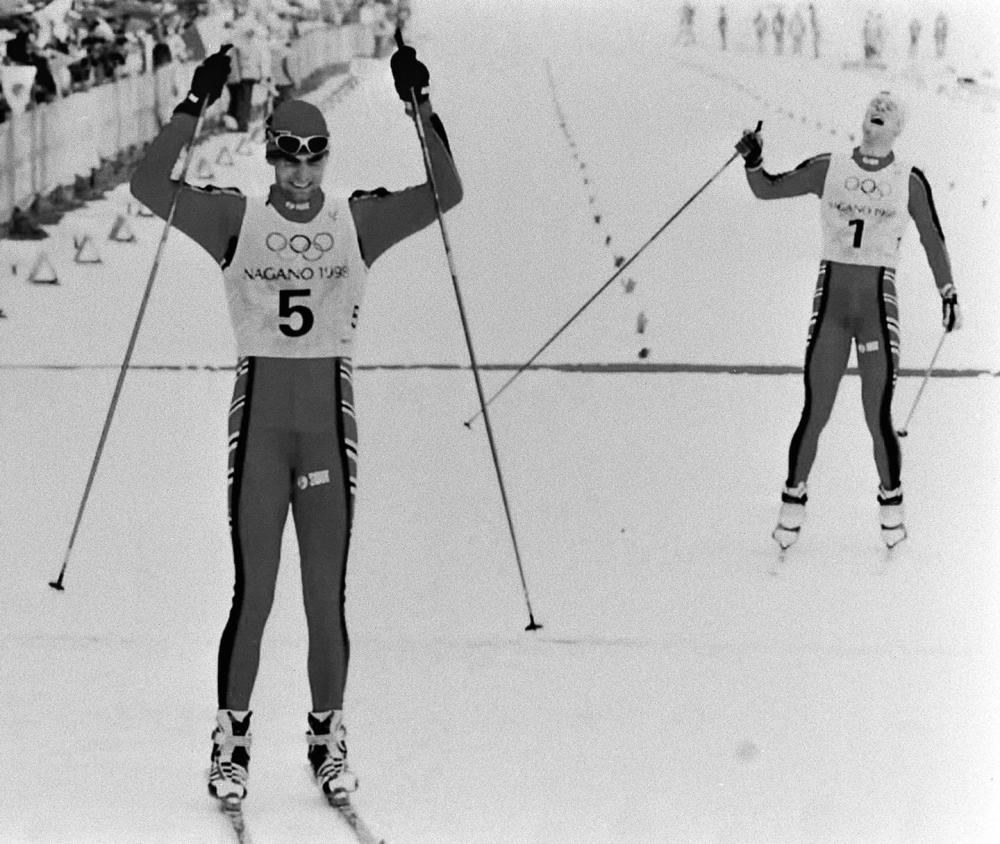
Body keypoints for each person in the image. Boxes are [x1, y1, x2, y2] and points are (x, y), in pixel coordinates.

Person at [130, 42, 462, 806]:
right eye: (288, 159)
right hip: (259, 429)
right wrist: (193, 102)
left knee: (323, 596)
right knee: (254, 593)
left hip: (326, 428)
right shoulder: (235, 218)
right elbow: (148, 185)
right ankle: (231, 744)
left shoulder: (356, 220)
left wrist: (419, 104)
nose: (301, 175)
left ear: (326, 159)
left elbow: (446, 191)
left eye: (313, 159)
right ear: (270, 157)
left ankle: (327, 739)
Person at [734, 91, 961, 550]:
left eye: (888, 111)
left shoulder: (908, 179)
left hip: (877, 308)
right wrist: (754, 161)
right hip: (832, 308)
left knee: (877, 415)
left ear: (899, 128)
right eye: (873, 107)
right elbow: (768, 188)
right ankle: (792, 504)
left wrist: (948, 291)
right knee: (815, 410)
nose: (878, 111)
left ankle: (892, 509)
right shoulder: (831, 167)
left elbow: (932, 237)